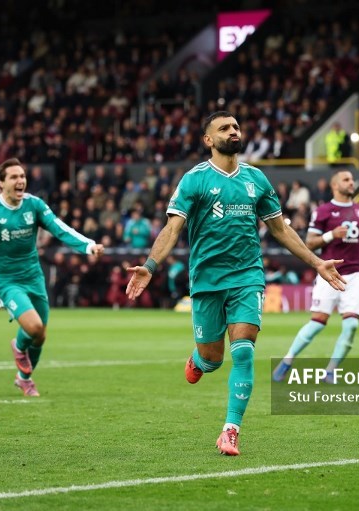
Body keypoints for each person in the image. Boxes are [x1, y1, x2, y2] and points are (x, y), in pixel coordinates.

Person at [125, 111, 346, 456]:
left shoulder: (256, 180)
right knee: (213, 359)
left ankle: (230, 430)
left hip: (247, 278)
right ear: (208, 140)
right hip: (207, 281)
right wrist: (150, 266)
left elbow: (280, 229)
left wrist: (317, 262)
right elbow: (172, 228)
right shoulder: (194, 179)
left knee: (243, 352)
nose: (233, 131)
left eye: (236, 127)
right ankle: (200, 361)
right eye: (224, 128)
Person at [0, 158, 104, 397]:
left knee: (41, 334)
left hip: (33, 276)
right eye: (13, 177)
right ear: (1, 184)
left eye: (22, 176)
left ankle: (24, 378)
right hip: (5, 280)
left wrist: (88, 246)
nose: (20, 180)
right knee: (33, 327)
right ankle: (19, 346)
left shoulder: (34, 205)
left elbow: (59, 228)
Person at [272, 170, 359, 384]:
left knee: (351, 325)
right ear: (335, 185)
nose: (351, 182)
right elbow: (310, 242)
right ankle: (288, 360)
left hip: (354, 275)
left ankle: (331, 371)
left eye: (352, 179)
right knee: (317, 323)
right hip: (329, 273)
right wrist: (331, 235)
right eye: (346, 179)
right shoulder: (324, 211)